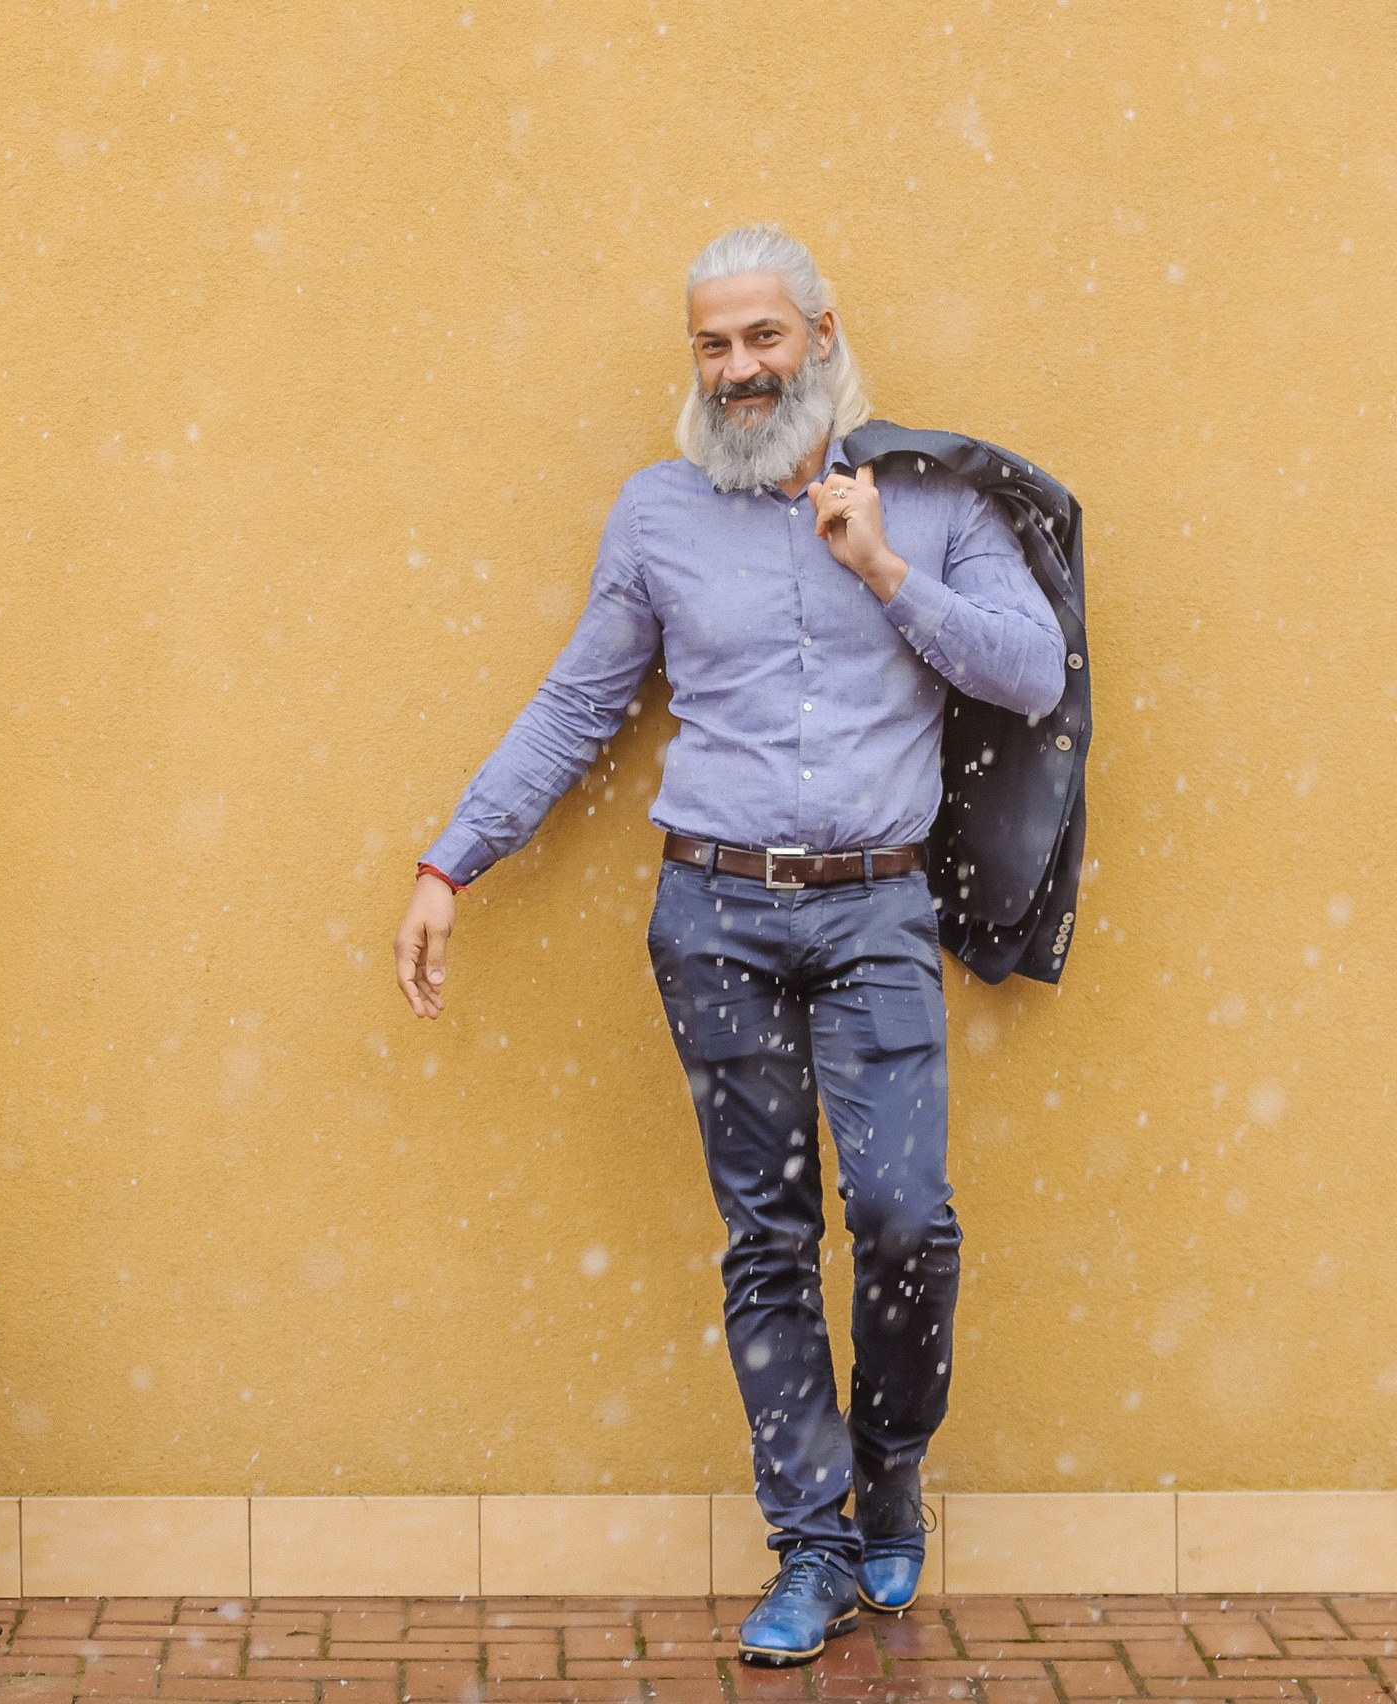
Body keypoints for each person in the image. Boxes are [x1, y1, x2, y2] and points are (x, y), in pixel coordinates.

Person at [392, 228, 1065, 1664]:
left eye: (764, 337)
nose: (740, 369)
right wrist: (455, 858)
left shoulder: (930, 498)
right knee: (766, 1239)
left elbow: (1029, 668)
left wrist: (885, 568)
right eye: (713, 344)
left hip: (877, 908)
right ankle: (811, 1544)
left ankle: (889, 1468)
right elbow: (579, 706)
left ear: (823, 334)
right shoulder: (655, 513)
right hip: (713, 917)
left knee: (903, 1220)